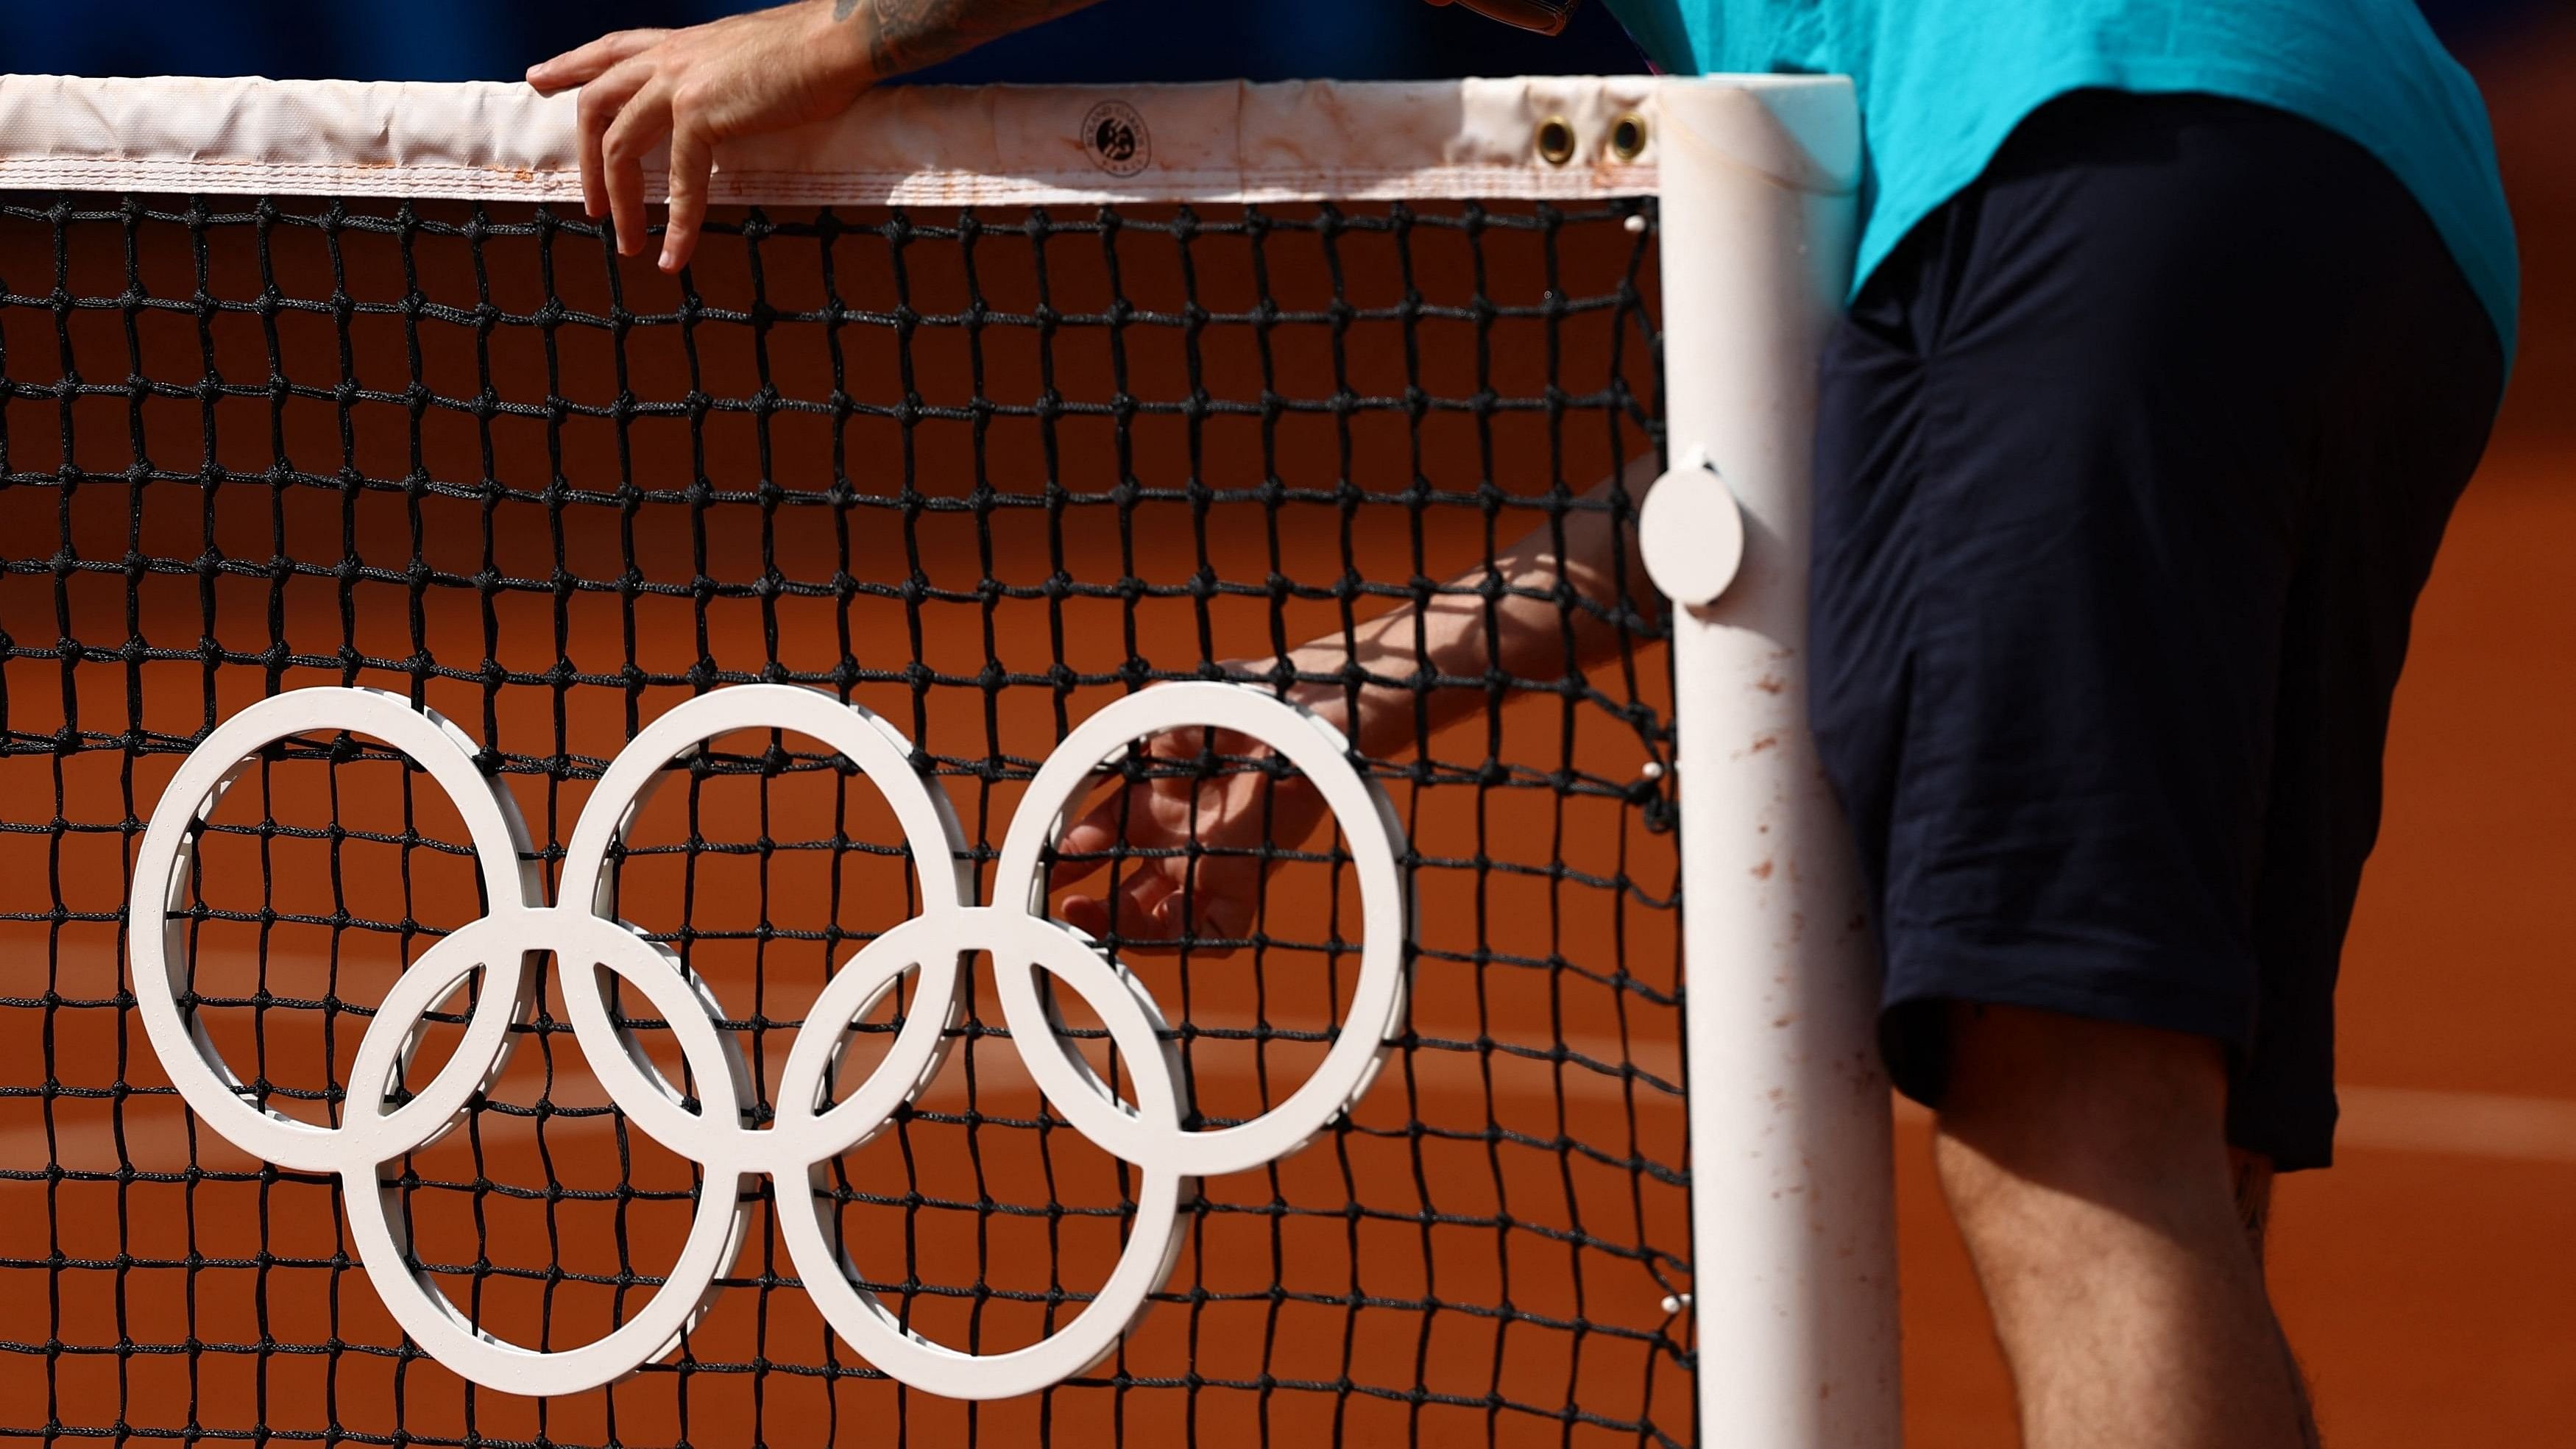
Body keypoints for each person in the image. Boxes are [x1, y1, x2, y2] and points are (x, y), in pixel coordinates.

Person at [528, 3, 2516, 1445]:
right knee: (2173, 1135)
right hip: (2378, 200)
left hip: (2098, 162)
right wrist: (1328, 702)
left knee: (2075, 1132)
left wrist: (838, 36)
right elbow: (1778, 472)